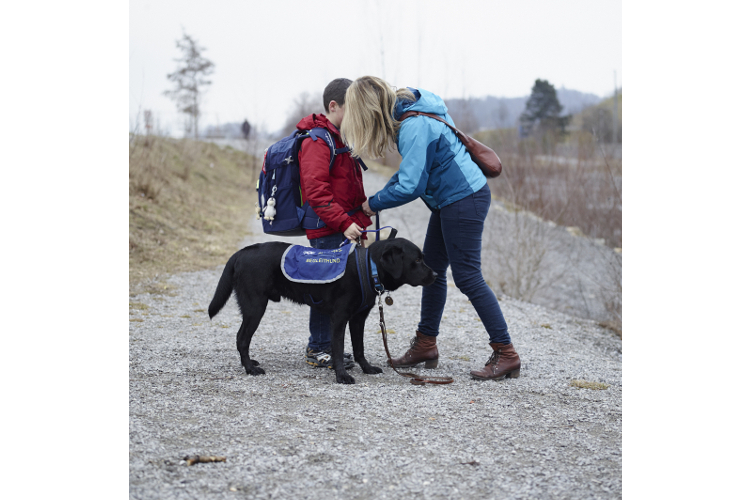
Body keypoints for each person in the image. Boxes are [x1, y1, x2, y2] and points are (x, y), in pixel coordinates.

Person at [342, 76, 521, 380]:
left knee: (467, 276)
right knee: (432, 271)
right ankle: (426, 344)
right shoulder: (411, 112)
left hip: (464, 199)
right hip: (450, 201)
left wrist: (375, 204)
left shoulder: (414, 126)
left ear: (370, 111)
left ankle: (506, 352)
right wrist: (375, 199)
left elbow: (411, 185)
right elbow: (409, 173)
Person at [297, 78, 372, 369]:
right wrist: (343, 223)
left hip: (343, 226)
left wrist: (361, 221)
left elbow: (351, 186)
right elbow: (317, 192)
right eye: (352, 108)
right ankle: (318, 348)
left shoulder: (340, 137)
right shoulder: (318, 140)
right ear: (334, 106)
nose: (357, 115)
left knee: (339, 288)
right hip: (328, 227)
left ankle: (330, 346)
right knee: (325, 288)